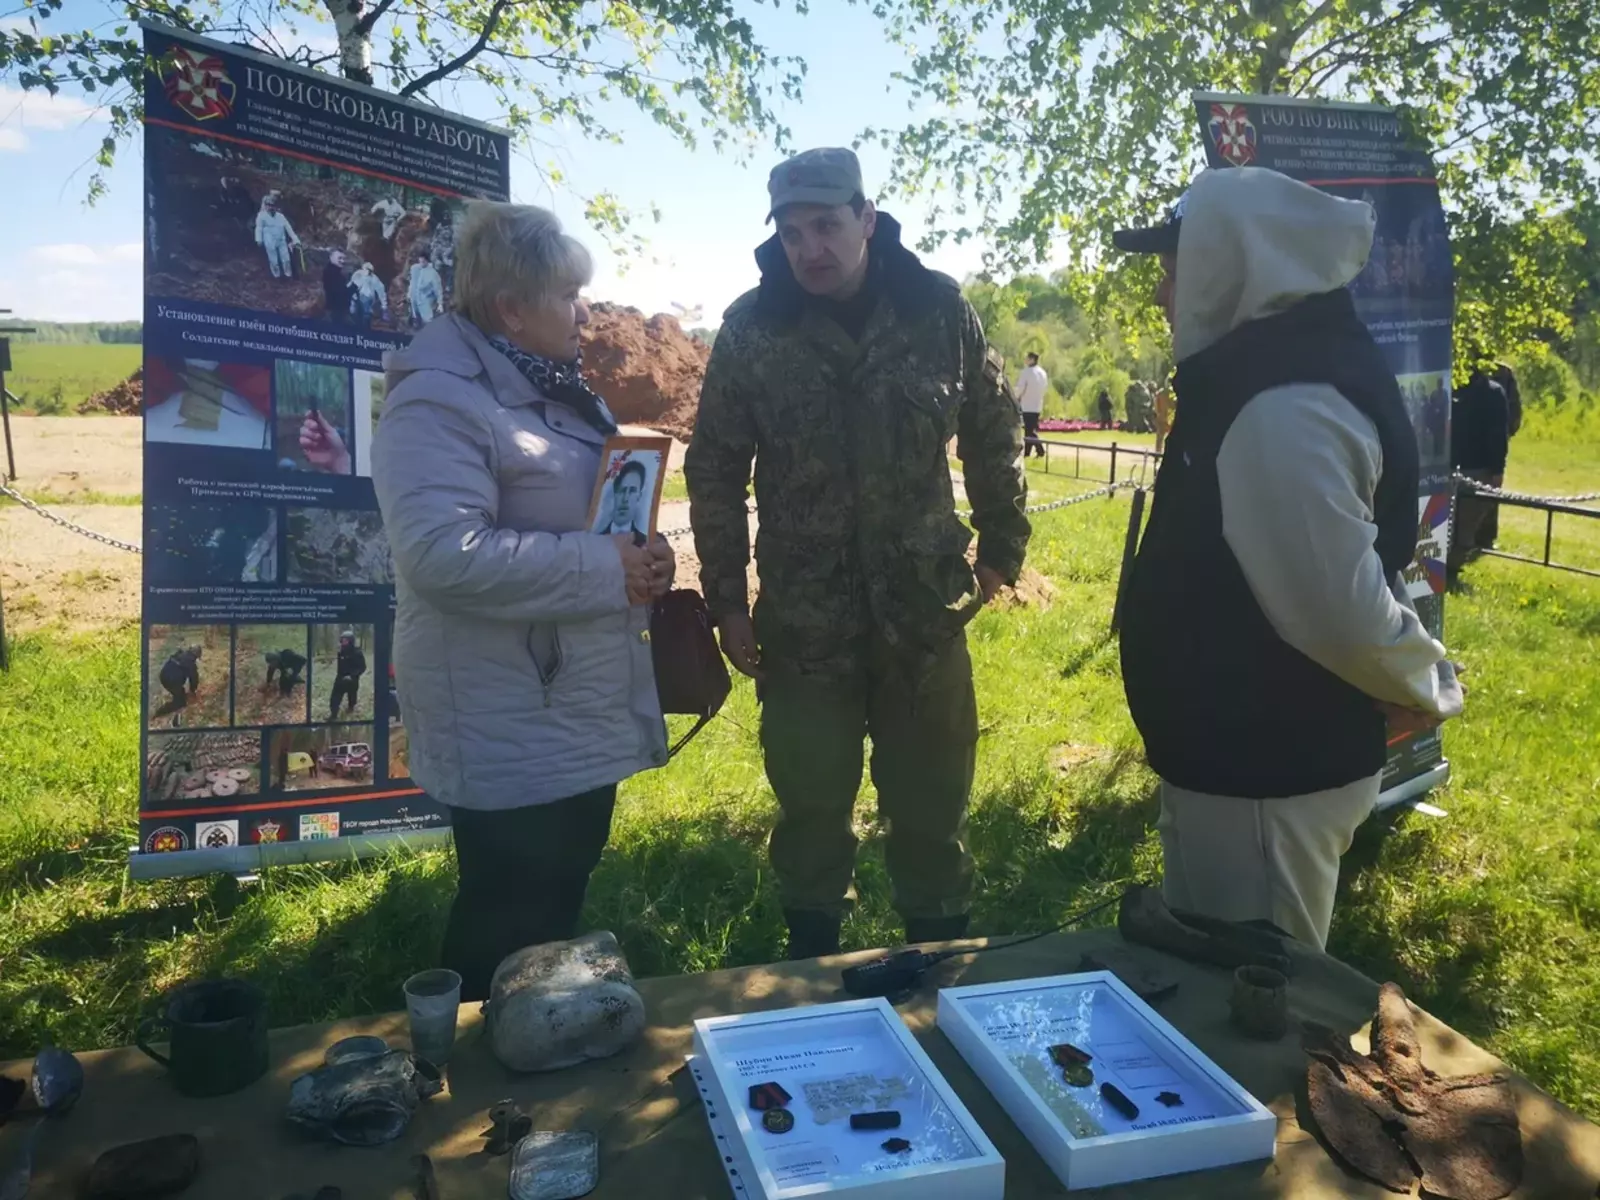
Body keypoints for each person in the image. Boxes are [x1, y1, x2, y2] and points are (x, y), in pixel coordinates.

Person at [685, 147, 1030, 960]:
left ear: (867, 220)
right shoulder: (751, 330)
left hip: (925, 620)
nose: (811, 247)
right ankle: (813, 983)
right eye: (793, 230)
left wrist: (1002, 549)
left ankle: (937, 977)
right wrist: (728, 601)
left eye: (828, 226)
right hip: (806, 629)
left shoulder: (938, 312)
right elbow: (715, 468)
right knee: (809, 818)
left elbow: (993, 429)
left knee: (933, 813)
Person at [1113, 166, 1464, 950]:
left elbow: (1333, 607)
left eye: (1178, 270)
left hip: (1265, 776)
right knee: (1219, 1006)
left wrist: (1424, 682)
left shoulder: (1283, 406)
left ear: (1240, 266)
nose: (1167, 295)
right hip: (1240, 763)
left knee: (1258, 1017)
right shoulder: (1262, 377)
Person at [372, 201, 674, 1001]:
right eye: (566, 295)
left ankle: (534, 1057)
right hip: (509, 716)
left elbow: (590, 523)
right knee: (506, 918)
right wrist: (610, 567)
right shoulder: (439, 402)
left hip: (563, 707)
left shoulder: (551, 391)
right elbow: (444, 557)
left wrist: (642, 559)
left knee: (553, 903)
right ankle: (463, 1083)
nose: (584, 312)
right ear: (511, 309)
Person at [1448, 368, 1510, 585]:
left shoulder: (1452, 392)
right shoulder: (1493, 394)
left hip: (1450, 466)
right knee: (1466, 526)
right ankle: (1451, 571)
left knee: (1450, 523)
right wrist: (1497, 470)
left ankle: (1446, 570)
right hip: (1477, 468)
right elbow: (1497, 435)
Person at [1479, 361, 1522, 549]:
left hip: (1486, 440)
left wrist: (1506, 433)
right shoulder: (1502, 373)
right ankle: (1480, 538)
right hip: (1479, 441)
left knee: (1490, 490)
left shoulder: (1502, 374)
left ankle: (1485, 537)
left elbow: (1514, 412)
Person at [255, 194, 301, 280]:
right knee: (273, 260)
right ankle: (277, 276)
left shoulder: (280, 216)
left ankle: (288, 275)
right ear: (265, 205)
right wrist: (259, 239)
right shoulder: (261, 216)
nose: (270, 207)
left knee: (286, 259)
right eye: (268, 205)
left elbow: (288, 228)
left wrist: (295, 239)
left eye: (272, 205)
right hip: (269, 240)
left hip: (281, 239)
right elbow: (259, 228)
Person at [604, 460, 649, 543]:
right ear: (615, 493)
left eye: (632, 491)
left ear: (639, 495)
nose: (625, 498)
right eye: (622, 490)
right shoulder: (595, 539)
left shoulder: (646, 542)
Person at [1013, 352, 1048, 459]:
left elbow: (1020, 388)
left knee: (1030, 430)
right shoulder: (1042, 373)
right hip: (1037, 404)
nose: (1026, 360)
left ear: (1032, 359)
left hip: (1027, 405)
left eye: (1027, 358)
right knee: (1029, 429)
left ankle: (1040, 450)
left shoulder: (1026, 372)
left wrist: (1015, 397)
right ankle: (1027, 453)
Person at [329, 630, 367, 719]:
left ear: (351, 641)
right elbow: (340, 667)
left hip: (352, 680)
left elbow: (362, 667)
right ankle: (333, 714)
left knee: (352, 697)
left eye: (346, 640)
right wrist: (339, 677)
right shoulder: (341, 652)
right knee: (334, 697)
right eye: (342, 640)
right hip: (341, 678)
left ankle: (351, 707)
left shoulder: (357, 653)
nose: (343, 642)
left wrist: (353, 676)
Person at [158, 646, 202, 711]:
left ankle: (177, 698)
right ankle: (161, 712)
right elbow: (194, 679)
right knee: (181, 703)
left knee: (181, 693)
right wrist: (193, 690)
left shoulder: (180, 654)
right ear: (195, 655)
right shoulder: (190, 662)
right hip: (172, 681)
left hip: (163, 676)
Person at [408, 251, 445, 327]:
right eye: (420, 261)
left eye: (423, 261)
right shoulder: (415, 269)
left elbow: (438, 289)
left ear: (427, 261)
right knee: (415, 320)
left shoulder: (433, 273)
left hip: (425, 301)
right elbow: (412, 283)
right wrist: (409, 294)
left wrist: (440, 303)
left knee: (427, 322)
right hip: (414, 300)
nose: (421, 263)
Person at [350, 262, 389, 328]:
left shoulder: (374, 278)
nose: (367, 272)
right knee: (356, 315)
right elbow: (352, 284)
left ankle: (366, 330)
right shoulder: (358, 274)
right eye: (366, 269)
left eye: (369, 270)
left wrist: (384, 306)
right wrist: (352, 300)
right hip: (358, 298)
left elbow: (381, 290)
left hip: (368, 298)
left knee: (366, 315)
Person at [322, 250, 354, 326]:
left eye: (343, 258)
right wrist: (353, 288)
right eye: (339, 258)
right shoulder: (331, 273)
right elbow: (339, 293)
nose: (342, 261)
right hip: (335, 313)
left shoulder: (336, 272)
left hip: (335, 311)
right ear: (331, 258)